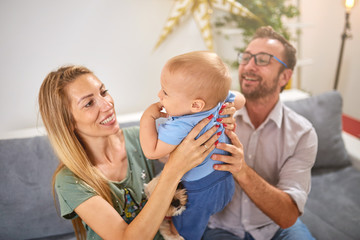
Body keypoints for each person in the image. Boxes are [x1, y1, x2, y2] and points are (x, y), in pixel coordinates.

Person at [38, 65, 234, 240]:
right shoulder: (70, 180)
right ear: (68, 122)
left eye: (104, 92)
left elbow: (194, 139)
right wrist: (173, 170)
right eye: (89, 103)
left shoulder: (141, 139)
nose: (107, 105)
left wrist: (220, 116)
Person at [202, 26, 318, 240]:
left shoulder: (302, 134)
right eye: (246, 57)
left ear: (285, 76)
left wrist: (241, 170)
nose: (249, 66)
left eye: (262, 60)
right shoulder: (214, 116)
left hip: (274, 227)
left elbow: (288, 216)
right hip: (219, 228)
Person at [140, 51, 246, 240]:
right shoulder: (217, 102)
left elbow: (152, 151)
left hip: (199, 191)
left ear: (196, 105)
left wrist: (147, 118)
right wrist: (229, 105)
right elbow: (240, 100)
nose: (159, 95)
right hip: (226, 183)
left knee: (184, 231)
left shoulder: (181, 125)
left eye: (165, 92)